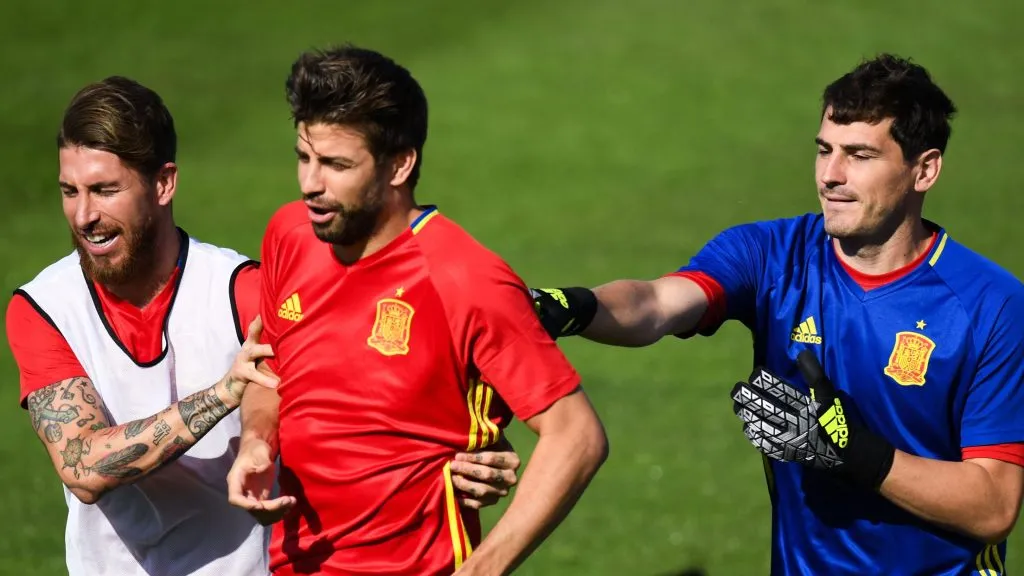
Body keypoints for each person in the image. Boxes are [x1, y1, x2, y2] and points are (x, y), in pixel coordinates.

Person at [530, 54, 1024, 575]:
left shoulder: (991, 307)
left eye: (859, 155)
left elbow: (994, 506)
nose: (831, 176)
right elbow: (655, 304)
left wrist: (860, 455)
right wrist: (573, 307)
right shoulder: (771, 255)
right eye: (824, 151)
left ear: (924, 169)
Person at [7, 76, 520, 576]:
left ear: (163, 183)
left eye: (104, 190)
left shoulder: (244, 291)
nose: (83, 215)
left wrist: (460, 454)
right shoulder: (45, 308)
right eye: (69, 191)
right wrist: (225, 392)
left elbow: (371, 384)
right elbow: (84, 467)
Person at [227, 45, 609, 576]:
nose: (310, 183)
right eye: (303, 157)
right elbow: (272, 371)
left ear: (399, 165)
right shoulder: (291, 234)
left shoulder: (468, 280)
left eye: (337, 165)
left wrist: (484, 567)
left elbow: (576, 434)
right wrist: (256, 442)